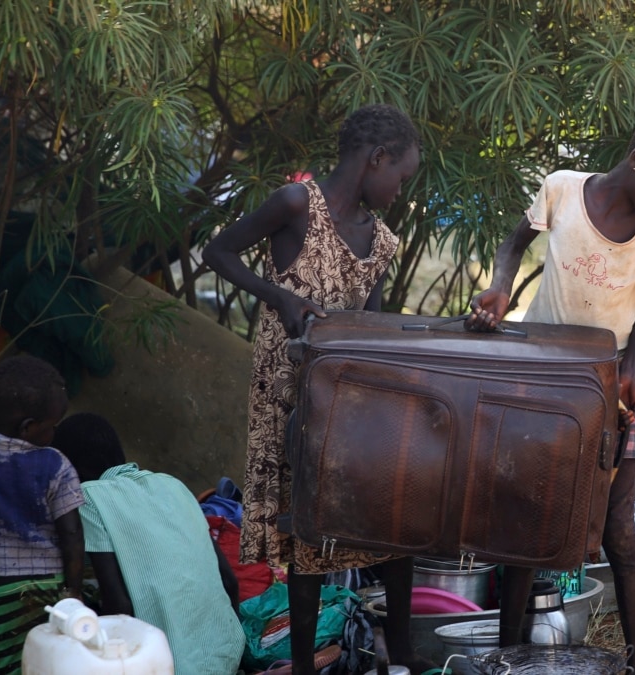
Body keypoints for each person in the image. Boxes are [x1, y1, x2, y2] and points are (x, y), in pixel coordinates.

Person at [467, 108, 635, 674]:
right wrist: (501, 289)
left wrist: (633, 362)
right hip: (543, 377)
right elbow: (511, 247)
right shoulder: (563, 191)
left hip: (615, 383)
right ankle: (509, 656)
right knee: (528, 525)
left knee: (619, 528)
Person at [202, 104, 427, 674]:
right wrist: (275, 295)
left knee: (388, 523)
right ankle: (304, 663)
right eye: (400, 178)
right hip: (286, 394)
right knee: (306, 532)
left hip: (345, 401)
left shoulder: (382, 242)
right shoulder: (296, 204)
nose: (400, 192)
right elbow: (218, 252)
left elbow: (371, 326)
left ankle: (400, 657)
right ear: (376, 159)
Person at [52, 413, 244, 675]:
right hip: (228, 654)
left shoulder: (90, 497)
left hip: (168, 665)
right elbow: (229, 581)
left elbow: (118, 606)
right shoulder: (173, 484)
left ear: (70, 467)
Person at [0, 355, 83, 674]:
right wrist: (72, 591)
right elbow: (71, 534)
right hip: (47, 588)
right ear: (28, 428)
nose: (55, 433)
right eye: (52, 426)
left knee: (1, 665)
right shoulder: (56, 464)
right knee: (45, 663)